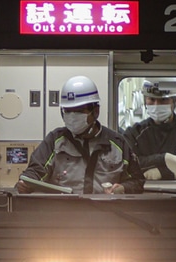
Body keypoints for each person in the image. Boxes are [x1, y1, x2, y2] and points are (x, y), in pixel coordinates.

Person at [16, 75, 144, 195]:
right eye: (68, 111)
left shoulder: (118, 144)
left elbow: (137, 181)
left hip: (106, 215)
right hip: (62, 214)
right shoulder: (55, 140)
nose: (72, 116)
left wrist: (123, 188)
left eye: (79, 111)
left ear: (95, 111)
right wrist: (26, 183)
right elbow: (35, 171)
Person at [122, 80, 176, 181]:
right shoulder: (134, 134)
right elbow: (127, 163)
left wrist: (163, 173)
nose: (156, 105)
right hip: (143, 194)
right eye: (152, 100)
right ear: (145, 100)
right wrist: (163, 158)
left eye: (163, 100)